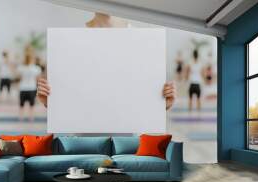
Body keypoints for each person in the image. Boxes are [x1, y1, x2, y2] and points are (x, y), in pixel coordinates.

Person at [37, 12, 176, 111]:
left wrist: (162, 103)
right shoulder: (70, 39)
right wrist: (51, 102)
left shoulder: (144, 40)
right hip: (85, 138)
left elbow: (145, 94)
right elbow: (70, 95)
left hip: (130, 139)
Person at [18, 52, 42, 121]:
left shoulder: (21, 67)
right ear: (32, 59)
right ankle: (31, 118)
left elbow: (18, 77)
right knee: (32, 105)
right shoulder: (36, 68)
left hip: (23, 88)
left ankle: (21, 118)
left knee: (21, 105)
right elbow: (38, 79)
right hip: (32, 88)